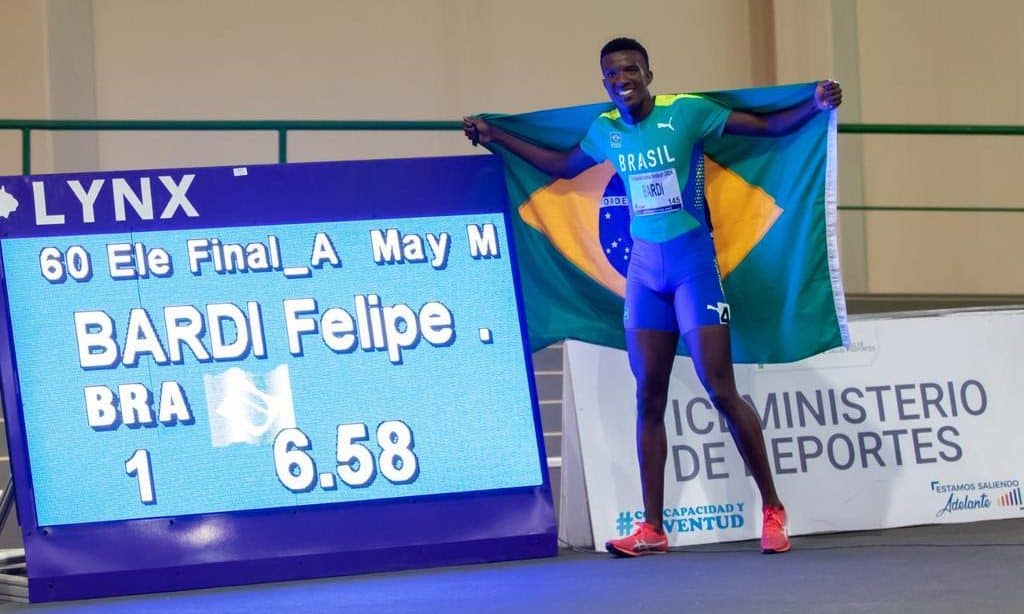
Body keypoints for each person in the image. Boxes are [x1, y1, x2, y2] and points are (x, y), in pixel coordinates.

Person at [464, 37, 841, 557]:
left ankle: (773, 510)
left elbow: (767, 128)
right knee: (649, 397)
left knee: (721, 389)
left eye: (632, 70)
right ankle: (653, 529)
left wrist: (813, 104)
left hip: (693, 271)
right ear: (604, 82)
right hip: (644, 276)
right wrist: (496, 136)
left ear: (648, 72)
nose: (624, 80)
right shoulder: (606, 131)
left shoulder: (686, 114)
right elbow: (559, 166)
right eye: (613, 74)